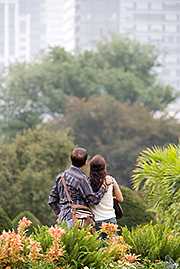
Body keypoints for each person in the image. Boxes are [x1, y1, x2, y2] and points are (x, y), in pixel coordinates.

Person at [48, 147, 108, 227]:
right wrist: (104, 187)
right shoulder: (81, 179)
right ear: (86, 162)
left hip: (62, 221)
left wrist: (60, 213)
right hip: (78, 221)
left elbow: (52, 200)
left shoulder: (60, 177)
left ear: (71, 159)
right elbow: (93, 201)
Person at [89, 154, 123, 232]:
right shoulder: (110, 180)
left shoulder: (87, 183)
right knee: (112, 243)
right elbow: (120, 199)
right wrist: (111, 198)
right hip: (110, 219)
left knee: (98, 244)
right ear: (104, 167)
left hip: (96, 221)